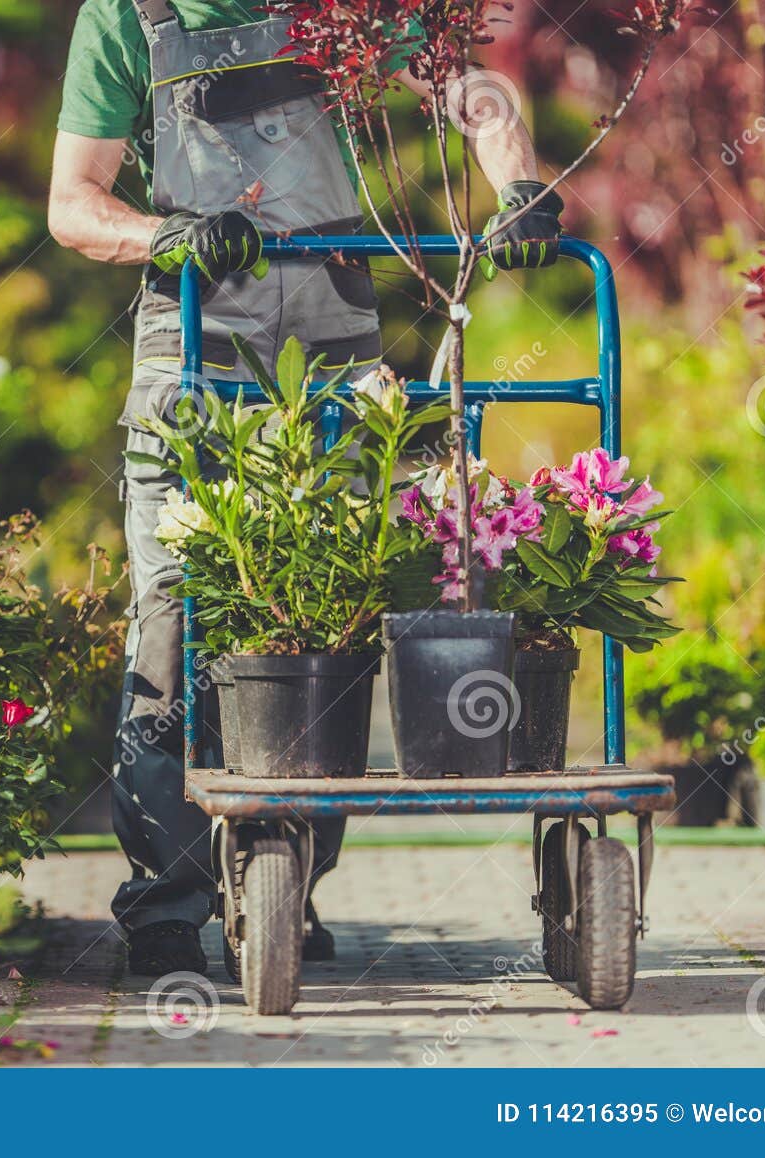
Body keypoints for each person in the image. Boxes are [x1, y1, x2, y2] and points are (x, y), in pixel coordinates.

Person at [48, 0, 563, 977]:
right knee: (171, 615)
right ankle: (167, 902)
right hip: (192, 352)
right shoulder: (126, 15)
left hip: (332, 350)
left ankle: (293, 870)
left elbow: (469, 88)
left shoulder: (343, 8)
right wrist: (167, 234)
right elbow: (71, 201)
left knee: (326, 610)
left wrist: (520, 188)